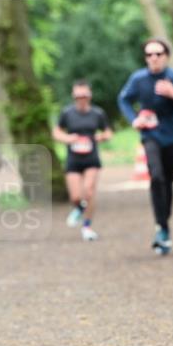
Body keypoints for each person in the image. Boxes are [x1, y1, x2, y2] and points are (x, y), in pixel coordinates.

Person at [118, 38, 173, 254]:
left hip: (171, 137)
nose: (154, 58)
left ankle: (164, 224)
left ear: (166, 56)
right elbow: (123, 99)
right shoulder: (139, 79)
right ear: (145, 58)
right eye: (149, 54)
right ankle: (161, 227)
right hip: (150, 135)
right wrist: (134, 119)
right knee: (156, 176)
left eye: (158, 54)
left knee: (168, 180)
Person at [52, 80, 112, 241]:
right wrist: (68, 138)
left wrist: (100, 137)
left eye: (84, 95)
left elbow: (108, 132)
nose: (81, 99)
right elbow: (56, 132)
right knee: (76, 196)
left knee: (89, 190)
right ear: (73, 96)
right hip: (73, 159)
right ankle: (79, 209)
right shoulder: (67, 113)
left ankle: (87, 226)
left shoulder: (97, 114)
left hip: (91, 158)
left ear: (90, 96)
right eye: (78, 96)